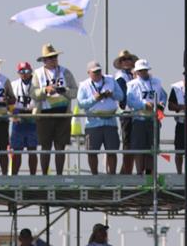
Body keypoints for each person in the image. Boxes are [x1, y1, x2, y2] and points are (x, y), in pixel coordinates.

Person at [32, 43, 77, 176]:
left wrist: (64, 91)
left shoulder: (65, 72)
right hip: (44, 115)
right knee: (45, 147)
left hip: (63, 115)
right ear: (44, 60)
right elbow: (33, 93)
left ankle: (59, 175)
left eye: (55, 57)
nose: (54, 60)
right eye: (50, 57)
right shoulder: (38, 73)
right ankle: (45, 176)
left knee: (60, 146)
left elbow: (75, 92)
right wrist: (45, 90)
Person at [76, 62, 123, 175]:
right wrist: (94, 98)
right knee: (92, 152)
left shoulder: (110, 79)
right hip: (93, 123)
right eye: (95, 72)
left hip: (110, 122)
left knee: (112, 151)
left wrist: (112, 94)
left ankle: (112, 176)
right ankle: (94, 176)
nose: (98, 74)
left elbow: (121, 96)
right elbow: (80, 104)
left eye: (99, 71)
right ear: (89, 73)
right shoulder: (84, 85)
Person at [126, 59, 167, 176]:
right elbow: (130, 101)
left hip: (153, 119)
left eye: (145, 70)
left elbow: (163, 96)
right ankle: (139, 173)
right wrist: (144, 105)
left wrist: (162, 104)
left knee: (152, 149)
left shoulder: (157, 82)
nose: (143, 72)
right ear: (137, 72)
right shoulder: (132, 84)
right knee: (139, 149)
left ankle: (149, 174)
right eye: (140, 71)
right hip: (139, 119)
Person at [9, 62, 38, 176]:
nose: (24, 74)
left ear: (31, 71)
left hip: (32, 118)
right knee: (16, 151)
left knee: (32, 150)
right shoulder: (14, 84)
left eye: (26, 71)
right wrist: (13, 113)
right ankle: (14, 177)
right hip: (18, 118)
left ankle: (33, 176)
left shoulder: (37, 85)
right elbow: (9, 101)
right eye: (21, 72)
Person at [113, 48, 139, 174]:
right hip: (127, 113)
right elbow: (123, 96)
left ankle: (129, 171)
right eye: (124, 60)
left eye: (129, 59)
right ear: (121, 63)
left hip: (137, 113)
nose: (127, 61)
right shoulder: (121, 76)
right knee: (128, 144)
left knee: (137, 145)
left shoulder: (135, 75)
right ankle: (126, 173)